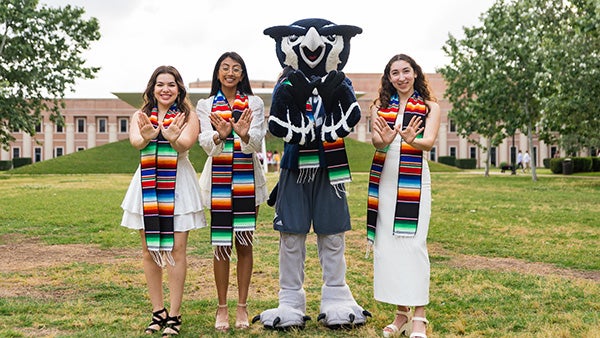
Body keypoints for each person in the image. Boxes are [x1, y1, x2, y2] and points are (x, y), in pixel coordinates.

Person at [120, 65, 206, 336]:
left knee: (177, 250)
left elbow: (186, 144)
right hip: (147, 184)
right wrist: (146, 136)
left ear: (179, 88)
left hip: (178, 184)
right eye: (160, 84)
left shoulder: (188, 115)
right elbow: (136, 142)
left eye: (171, 84)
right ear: (152, 88)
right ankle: (158, 312)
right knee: (149, 251)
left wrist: (173, 138)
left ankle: (175, 314)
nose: (165, 89)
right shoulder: (141, 115)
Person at [366, 54, 441, 338]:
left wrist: (412, 140)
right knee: (390, 246)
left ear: (415, 73)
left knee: (414, 244)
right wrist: (383, 140)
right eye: (394, 73)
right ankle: (400, 315)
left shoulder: (430, 107)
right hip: (385, 178)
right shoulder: (379, 107)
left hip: (414, 180)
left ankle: (419, 316)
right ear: (388, 77)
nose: (401, 77)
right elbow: (377, 141)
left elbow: (429, 142)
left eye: (406, 71)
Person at [196, 51, 268, 333]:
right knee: (221, 245)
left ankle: (242, 305)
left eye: (236, 68)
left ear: (242, 74)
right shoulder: (205, 105)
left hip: (248, 179)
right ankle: (222, 307)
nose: (230, 72)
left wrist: (244, 133)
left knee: (244, 243)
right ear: (218, 73)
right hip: (218, 179)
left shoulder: (254, 103)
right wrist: (220, 134)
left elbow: (257, 143)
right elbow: (206, 145)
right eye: (225, 68)